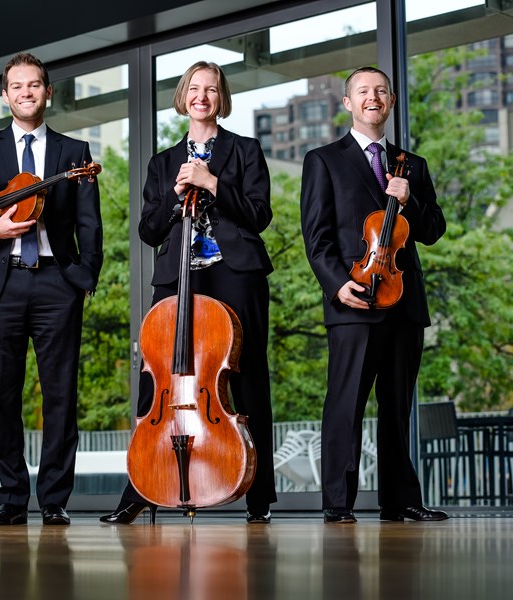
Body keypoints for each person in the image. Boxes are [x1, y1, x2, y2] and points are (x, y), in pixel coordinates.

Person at [100, 61, 276, 525]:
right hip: (179, 276)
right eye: (194, 89)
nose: (202, 96)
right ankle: (140, 488)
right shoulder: (162, 163)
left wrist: (212, 184)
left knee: (247, 377)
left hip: (235, 273)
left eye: (211, 89)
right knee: (155, 377)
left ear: (221, 98)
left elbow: (259, 215)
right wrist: (177, 196)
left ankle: (259, 495)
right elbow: (148, 230)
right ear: (183, 97)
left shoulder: (245, 150)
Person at [0, 52, 103, 526]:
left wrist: (82, 279)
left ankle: (53, 500)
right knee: (3, 395)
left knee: (59, 395)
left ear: (48, 92)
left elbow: (91, 224)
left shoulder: (74, 153)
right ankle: (11, 498)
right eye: (17, 86)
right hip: (0, 282)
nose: (26, 92)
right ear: (5, 94)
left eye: (34, 85)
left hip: (57, 282)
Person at [299, 66, 447, 524]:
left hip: (403, 302)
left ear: (391, 101)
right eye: (363, 91)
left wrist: (410, 201)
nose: (372, 97)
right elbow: (316, 236)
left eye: (381, 91)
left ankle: (400, 500)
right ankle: (338, 504)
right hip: (354, 299)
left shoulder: (412, 165)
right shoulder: (323, 160)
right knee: (346, 404)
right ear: (348, 102)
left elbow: (433, 230)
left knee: (397, 408)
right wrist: (336, 284)